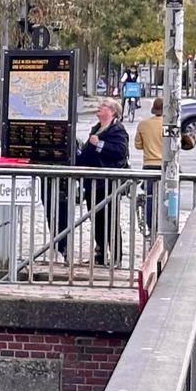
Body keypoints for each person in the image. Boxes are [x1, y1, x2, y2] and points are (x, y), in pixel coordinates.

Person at [74, 97, 131, 265]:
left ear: (112, 111)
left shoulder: (117, 129)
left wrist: (100, 145)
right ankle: (100, 254)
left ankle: (116, 257)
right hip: (93, 181)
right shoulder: (97, 128)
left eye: (103, 106)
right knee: (97, 219)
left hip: (108, 182)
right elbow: (88, 152)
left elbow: (120, 151)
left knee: (110, 219)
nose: (99, 107)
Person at [136, 97, 165, 231]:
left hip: (149, 165)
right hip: (166, 166)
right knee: (169, 197)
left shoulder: (143, 124)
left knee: (150, 198)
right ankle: (167, 225)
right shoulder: (170, 124)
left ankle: (151, 226)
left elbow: (138, 145)